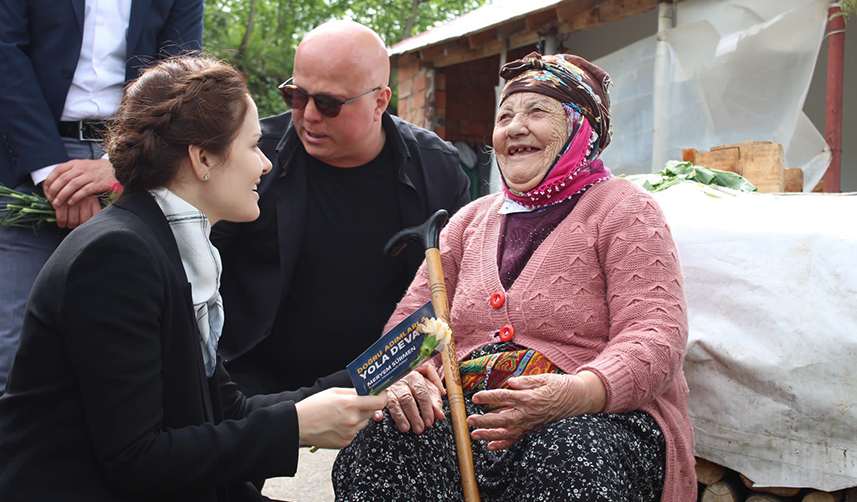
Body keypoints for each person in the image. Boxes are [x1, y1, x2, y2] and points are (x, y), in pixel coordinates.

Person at [0, 56, 387, 500]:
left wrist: (376, 376)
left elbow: (226, 409)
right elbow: (136, 458)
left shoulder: (165, 243)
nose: (265, 164)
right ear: (203, 158)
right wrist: (297, 426)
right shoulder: (116, 257)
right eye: (253, 145)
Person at [333, 52, 697, 502]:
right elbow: (412, 327)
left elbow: (656, 334)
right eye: (504, 115)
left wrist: (579, 393)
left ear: (582, 128)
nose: (514, 127)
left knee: (571, 453)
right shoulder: (469, 222)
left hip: (592, 418)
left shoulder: (625, 209)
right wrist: (404, 374)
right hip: (468, 424)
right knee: (383, 442)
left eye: (537, 112)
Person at [212, 20, 471, 397]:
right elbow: (196, 273)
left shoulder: (437, 169)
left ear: (380, 101)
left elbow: (462, 288)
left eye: (329, 103)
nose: (309, 115)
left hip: (388, 383)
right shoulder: (250, 156)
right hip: (253, 387)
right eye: (296, 96)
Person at [0, 0, 204, 396]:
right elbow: (5, 52)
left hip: (137, 158)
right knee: (11, 346)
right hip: (27, 156)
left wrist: (119, 162)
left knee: (123, 340)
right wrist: (50, 172)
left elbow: (180, 76)